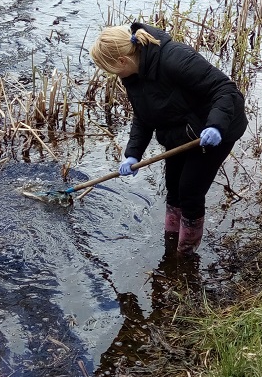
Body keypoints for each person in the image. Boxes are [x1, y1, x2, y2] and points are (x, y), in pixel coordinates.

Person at [89, 21, 247, 255]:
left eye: (110, 69)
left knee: (190, 191)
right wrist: (132, 154)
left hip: (214, 130)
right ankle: (171, 242)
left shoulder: (174, 58)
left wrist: (216, 126)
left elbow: (225, 90)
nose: (112, 74)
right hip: (179, 134)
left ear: (122, 61)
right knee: (173, 187)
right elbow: (143, 117)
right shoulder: (132, 76)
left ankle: (185, 254)